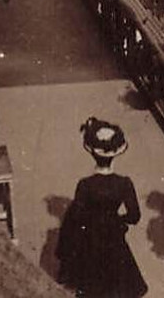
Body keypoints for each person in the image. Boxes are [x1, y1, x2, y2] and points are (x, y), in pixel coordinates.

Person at [55, 118, 148, 298]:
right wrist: (117, 219)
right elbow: (134, 216)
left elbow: (78, 216)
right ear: (116, 154)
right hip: (114, 237)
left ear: (92, 152)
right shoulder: (124, 184)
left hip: (91, 238)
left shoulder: (85, 185)